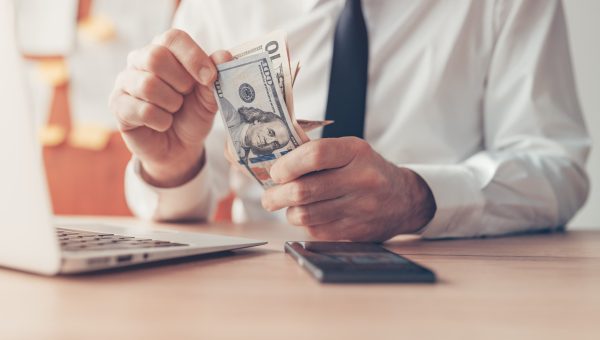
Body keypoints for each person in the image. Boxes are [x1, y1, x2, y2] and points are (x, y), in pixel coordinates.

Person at [110, 0, 590, 241]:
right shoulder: (222, 5)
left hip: (449, 280)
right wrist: (171, 167)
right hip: (263, 288)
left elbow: (556, 167)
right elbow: (195, 199)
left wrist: (419, 197)